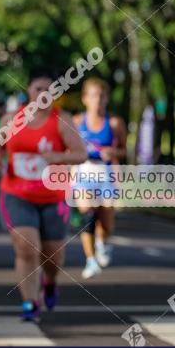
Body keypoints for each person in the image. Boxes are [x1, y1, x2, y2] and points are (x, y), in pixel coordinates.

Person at [0, 68, 88, 321]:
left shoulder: (62, 121)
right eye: (38, 89)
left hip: (53, 198)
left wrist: (59, 157)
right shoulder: (13, 119)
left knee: (52, 256)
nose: (43, 94)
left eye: (49, 89)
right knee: (26, 247)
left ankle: (50, 282)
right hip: (16, 194)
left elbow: (81, 153)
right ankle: (30, 303)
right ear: (28, 91)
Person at [72, 78, 126, 279]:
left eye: (102, 95)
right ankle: (91, 260)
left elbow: (124, 150)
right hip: (84, 172)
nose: (98, 99)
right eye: (94, 95)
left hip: (105, 174)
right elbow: (69, 148)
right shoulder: (77, 122)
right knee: (87, 214)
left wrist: (113, 152)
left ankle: (102, 243)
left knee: (107, 223)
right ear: (85, 99)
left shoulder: (114, 123)